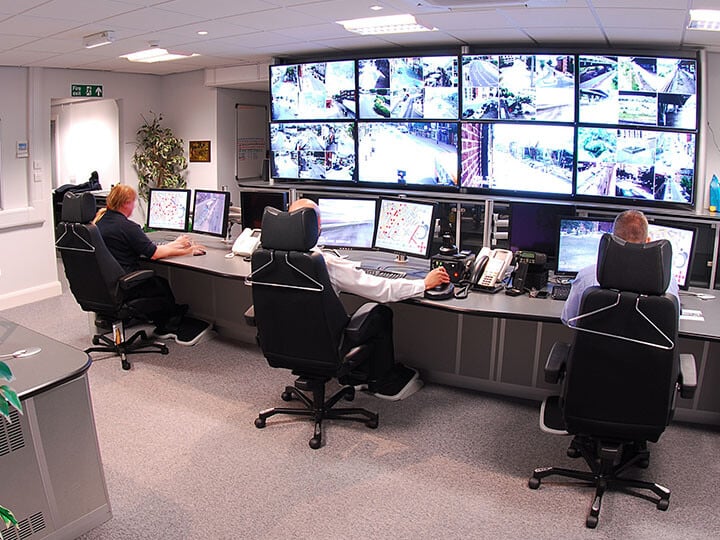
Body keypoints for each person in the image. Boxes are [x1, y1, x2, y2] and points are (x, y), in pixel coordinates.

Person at [288, 198, 450, 400]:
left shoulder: (264, 255)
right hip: (324, 342)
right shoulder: (323, 263)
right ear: (318, 226)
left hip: (285, 339)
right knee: (379, 313)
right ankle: (383, 381)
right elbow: (381, 290)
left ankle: (356, 374)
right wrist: (423, 284)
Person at [93, 184, 206, 338]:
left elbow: (149, 248)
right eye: (133, 202)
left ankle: (168, 318)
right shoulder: (127, 227)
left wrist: (176, 243)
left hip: (107, 284)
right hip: (125, 284)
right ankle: (168, 324)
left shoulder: (100, 222)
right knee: (160, 285)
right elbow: (154, 254)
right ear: (126, 203)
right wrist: (188, 251)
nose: (133, 206)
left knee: (157, 282)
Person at [561, 209, 680, 325]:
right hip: (644, 346)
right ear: (648, 242)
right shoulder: (668, 282)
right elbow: (672, 325)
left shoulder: (586, 276)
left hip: (595, 345)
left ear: (613, 239)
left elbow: (569, 319)